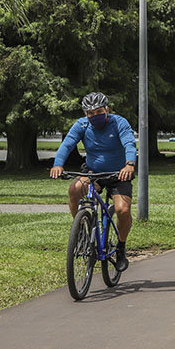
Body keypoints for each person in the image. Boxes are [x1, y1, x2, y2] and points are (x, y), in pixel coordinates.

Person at [49, 92, 136, 271]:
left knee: (122, 209)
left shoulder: (119, 122)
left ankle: (121, 247)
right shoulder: (81, 125)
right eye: (90, 113)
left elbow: (129, 143)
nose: (94, 116)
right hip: (93, 172)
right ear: (85, 114)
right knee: (75, 189)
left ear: (107, 110)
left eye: (98, 111)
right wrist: (58, 164)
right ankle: (80, 231)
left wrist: (129, 164)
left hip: (119, 173)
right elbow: (67, 144)